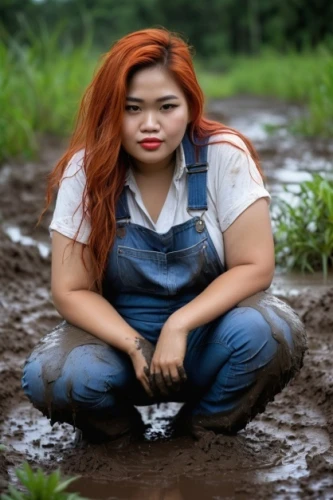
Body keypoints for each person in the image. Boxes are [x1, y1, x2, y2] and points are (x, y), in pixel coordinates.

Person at [22, 28, 306, 442]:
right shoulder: (85, 172)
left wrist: (180, 324)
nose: (149, 124)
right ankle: (120, 435)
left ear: (190, 106)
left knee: (274, 331)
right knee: (51, 376)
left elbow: (255, 266)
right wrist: (136, 344)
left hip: (208, 341)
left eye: (166, 106)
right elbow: (71, 290)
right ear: (110, 110)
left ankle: (203, 428)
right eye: (132, 108)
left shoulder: (224, 155)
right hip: (117, 350)